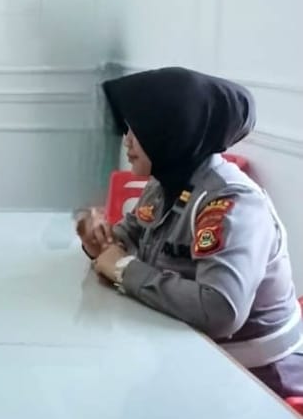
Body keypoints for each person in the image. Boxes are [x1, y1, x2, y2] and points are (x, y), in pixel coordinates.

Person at [75, 66, 302, 398]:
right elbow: (127, 237)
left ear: (173, 131)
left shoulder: (232, 203)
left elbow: (220, 311)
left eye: (139, 130)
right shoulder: (165, 183)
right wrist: (99, 240)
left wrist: (122, 268)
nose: (127, 140)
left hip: (257, 378)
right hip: (194, 355)